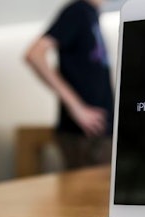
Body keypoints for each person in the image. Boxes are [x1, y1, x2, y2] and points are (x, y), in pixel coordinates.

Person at [25, 0, 114, 168]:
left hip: (100, 128)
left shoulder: (92, 15)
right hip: (85, 133)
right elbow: (35, 54)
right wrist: (77, 107)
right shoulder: (77, 11)